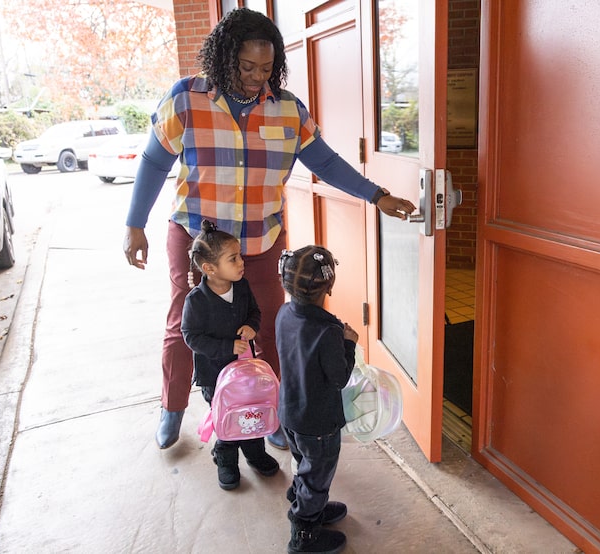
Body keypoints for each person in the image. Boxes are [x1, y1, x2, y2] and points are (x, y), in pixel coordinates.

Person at [123, 7, 416, 451]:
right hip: (198, 243)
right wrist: (135, 224)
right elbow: (153, 162)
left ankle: (272, 410)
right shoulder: (186, 99)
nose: (257, 76)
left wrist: (377, 195)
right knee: (185, 325)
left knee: (269, 327)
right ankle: (173, 406)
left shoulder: (287, 110)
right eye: (246, 67)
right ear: (224, 57)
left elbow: (327, 163)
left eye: (266, 67)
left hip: (260, 241)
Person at [181, 220, 280, 490]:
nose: (241, 263)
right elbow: (191, 336)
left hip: (244, 371)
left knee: (251, 411)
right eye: (233, 259)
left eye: (239, 256)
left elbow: (254, 313)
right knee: (228, 417)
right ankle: (226, 459)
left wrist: (252, 326)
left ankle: (255, 453)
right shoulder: (196, 301)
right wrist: (226, 347)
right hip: (215, 375)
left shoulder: (242, 286)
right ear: (210, 269)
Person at [276, 245, 355, 554]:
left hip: (290, 412)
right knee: (318, 474)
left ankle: (303, 497)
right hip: (319, 422)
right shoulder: (329, 330)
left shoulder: (284, 313)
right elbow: (339, 378)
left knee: (305, 463)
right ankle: (304, 531)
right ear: (329, 286)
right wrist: (348, 344)